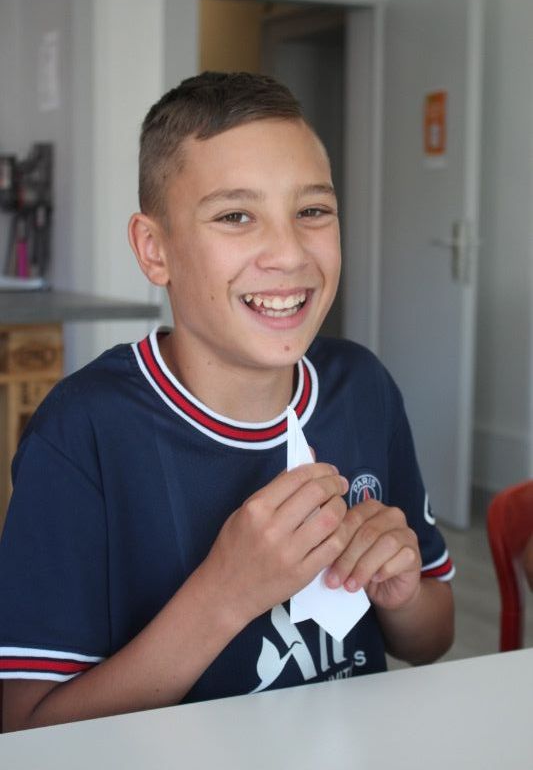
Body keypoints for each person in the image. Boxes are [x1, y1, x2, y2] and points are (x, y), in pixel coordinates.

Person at [0, 72, 454, 731]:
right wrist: (225, 593)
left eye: (312, 211)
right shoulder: (82, 433)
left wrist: (402, 593)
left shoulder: (363, 387)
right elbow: (26, 731)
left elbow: (431, 639)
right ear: (155, 250)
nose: (288, 252)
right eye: (236, 216)